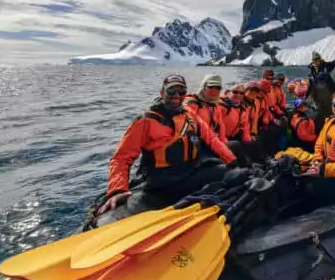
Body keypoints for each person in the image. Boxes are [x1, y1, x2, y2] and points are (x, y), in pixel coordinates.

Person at [98, 75, 236, 216]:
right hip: (162, 180)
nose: (176, 96)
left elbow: (211, 138)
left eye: (181, 92)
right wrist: (118, 189)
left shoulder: (189, 115)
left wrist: (231, 160)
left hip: (189, 171)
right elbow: (121, 158)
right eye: (171, 91)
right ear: (162, 92)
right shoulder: (145, 121)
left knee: (231, 173)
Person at [183, 74, 226, 142]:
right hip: (197, 143)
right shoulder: (191, 103)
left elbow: (221, 126)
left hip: (212, 140)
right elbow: (187, 130)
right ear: (203, 86)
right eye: (210, 86)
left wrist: (224, 142)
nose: (214, 90)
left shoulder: (215, 105)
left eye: (217, 88)